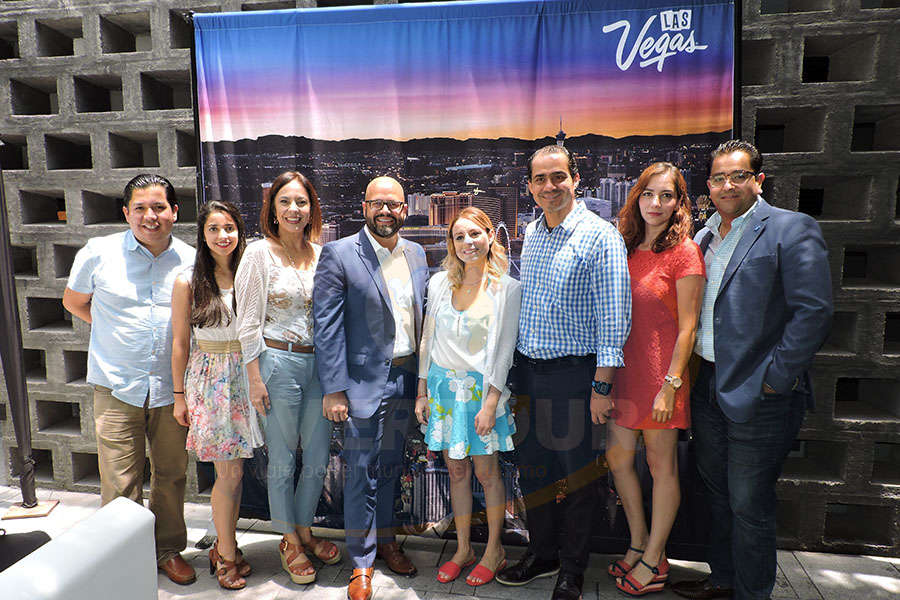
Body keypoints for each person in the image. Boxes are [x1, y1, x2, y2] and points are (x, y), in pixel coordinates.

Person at [670, 141, 832, 600]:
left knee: (749, 502)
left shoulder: (790, 228)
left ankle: (752, 592)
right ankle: (723, 580)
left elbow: (814, 312)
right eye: (719, 177)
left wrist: (775, 379)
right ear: (708, 185)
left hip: (761, 396)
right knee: (717, 496)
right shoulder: (702, 237)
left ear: (758, 180)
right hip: (709, 386)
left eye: (738, 176)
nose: (727, 185)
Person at [496, 145, 631, 600]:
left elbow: (614, 321)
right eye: (540, 179)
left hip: (576, 378)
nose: (549, 187)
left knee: (578, 479)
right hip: (529, 375)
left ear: (576, 178)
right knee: (533, 473)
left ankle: (572, 570)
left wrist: (601, 387)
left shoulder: (600, 236)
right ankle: (543, 553)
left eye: (558, 177)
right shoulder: (532, 233)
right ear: (530, 186)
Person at [62, 174, 197, 585]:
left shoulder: (192, 260)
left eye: (159, 207)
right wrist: (111, 333)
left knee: (172, 474)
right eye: (140, 208)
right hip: (117, 385)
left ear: (174, 211)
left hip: (172, 388)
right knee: (121, 479)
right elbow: (74, 303)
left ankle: (167, 549)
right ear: (126, 213)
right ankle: (120, 556)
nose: (149, 216)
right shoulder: (97, 253)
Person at [313, 176, 428, 600]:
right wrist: (334, 389)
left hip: (406, 378)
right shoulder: (340, 253)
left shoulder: (416, 253)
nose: (386, 211)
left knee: (393, 468)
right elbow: (325, 328)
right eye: (377, 203)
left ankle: (387, 541)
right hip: (361, 384)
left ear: (405, 209)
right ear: (364, 206)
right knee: (361, 473)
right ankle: (361, 563)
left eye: (394, 204)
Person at [234, 171, 340, 585]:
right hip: (276, 363)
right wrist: (254, 378)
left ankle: (304, 530)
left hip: (320, 367)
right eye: (285, 202)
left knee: (316, 458)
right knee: (282, 459)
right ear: (272, 210)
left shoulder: (322, 254)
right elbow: (246, 323)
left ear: (311, 208)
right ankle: (289, 539)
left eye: (301, 202)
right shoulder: (259, 254)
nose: (294, 210)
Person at [605, 163, 705, 596]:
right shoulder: (624, 246)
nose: (656, 204)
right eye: (648, 194)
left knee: (660, 467)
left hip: (661, 377)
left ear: (679, 202)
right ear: (636, 197)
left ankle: (654, 560)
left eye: (667, 196)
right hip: (624, 373)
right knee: (618, 461)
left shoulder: (685, 253)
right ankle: (638, 542)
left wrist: (671, 384)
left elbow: (689, 328)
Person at [414, 207, 521, 587]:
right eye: (459, 237)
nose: (467, 243)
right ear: (451, 244)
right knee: (455, 471)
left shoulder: (507, 288)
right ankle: (463, 549)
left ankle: (494, 549)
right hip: (443, 391)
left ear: (491, 236)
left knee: (486, 474)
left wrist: (491, 403)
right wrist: (422, 390)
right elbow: (428, 339)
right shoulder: (439, 283)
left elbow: (505, 350)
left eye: (475, 234)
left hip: (480, 392)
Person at [170, 200, 263, 589]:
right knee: (229, 472)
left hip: (249, 374)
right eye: (213, 229)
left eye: (229, 228)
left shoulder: (251, 273)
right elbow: (179, 344)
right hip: (211, 381)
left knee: (236, 472)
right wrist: (179, 397)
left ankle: (226, 545)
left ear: (239, 232)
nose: (222, 236)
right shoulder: (187, 281)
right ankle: (225, 554)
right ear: (202, 235)